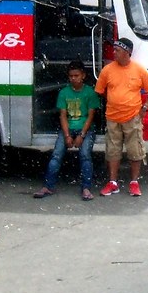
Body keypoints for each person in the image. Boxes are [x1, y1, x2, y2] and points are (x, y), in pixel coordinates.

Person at [94, 37, 148, 197]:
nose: (114, 53)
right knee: (112, 151)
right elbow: (100, 91)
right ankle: (113, 183)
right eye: (114, 50)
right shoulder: (107, 70)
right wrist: (114, 101)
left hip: (133, 118)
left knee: (135, 151)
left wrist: (145, 108)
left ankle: (134, 183)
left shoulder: (139, 70)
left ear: (127, 52)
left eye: (117, 50)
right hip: (112, 118)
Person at [34, 60, 100, 201]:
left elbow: (91, 116)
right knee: (56, 155)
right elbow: (63, 115)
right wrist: (67, 135)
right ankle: (48, 186)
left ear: (83, 75)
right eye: (71, 76)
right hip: (68, 128)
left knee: (85, 155)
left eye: (76, 75)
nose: (73, 79)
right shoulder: (64, 93)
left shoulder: (90, 93)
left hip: (86, 129)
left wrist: (82, 134)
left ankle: (86, 188)